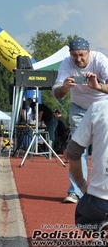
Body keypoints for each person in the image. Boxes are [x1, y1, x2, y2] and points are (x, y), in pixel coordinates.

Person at [52, 37, 108, 203]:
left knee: (103, 148)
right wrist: (64, 87)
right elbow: (56, 92)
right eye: (74, 55)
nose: (78, 59)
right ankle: (77, 191)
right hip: (79, 109)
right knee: (78, 149)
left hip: (102, 107)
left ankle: (102, 190)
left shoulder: (100, 60)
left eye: (82, 55)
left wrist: (98, 86)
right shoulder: (66, 63)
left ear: (89, 51)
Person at [65, 100, 108, 231]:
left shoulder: (98, 107)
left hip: (101, 201)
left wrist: (82, 186)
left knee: (82, 217)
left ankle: (102, 228)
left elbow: (72, 153)